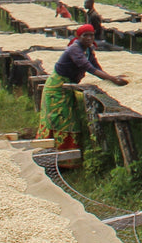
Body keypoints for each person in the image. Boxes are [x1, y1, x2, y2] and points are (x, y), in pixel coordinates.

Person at [41, 24, 127, 153]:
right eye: (85, 35)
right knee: (59, 117)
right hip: (57, 87)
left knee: (70, 117)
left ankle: (70, 153)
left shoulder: (88, 49)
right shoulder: (74, 49)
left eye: (91, 35)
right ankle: (55, 152)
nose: (89, 38)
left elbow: (96, 66)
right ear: (78, 36)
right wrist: (113, 79)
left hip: (68, 84)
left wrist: (110, 77)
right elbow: (89, 68)